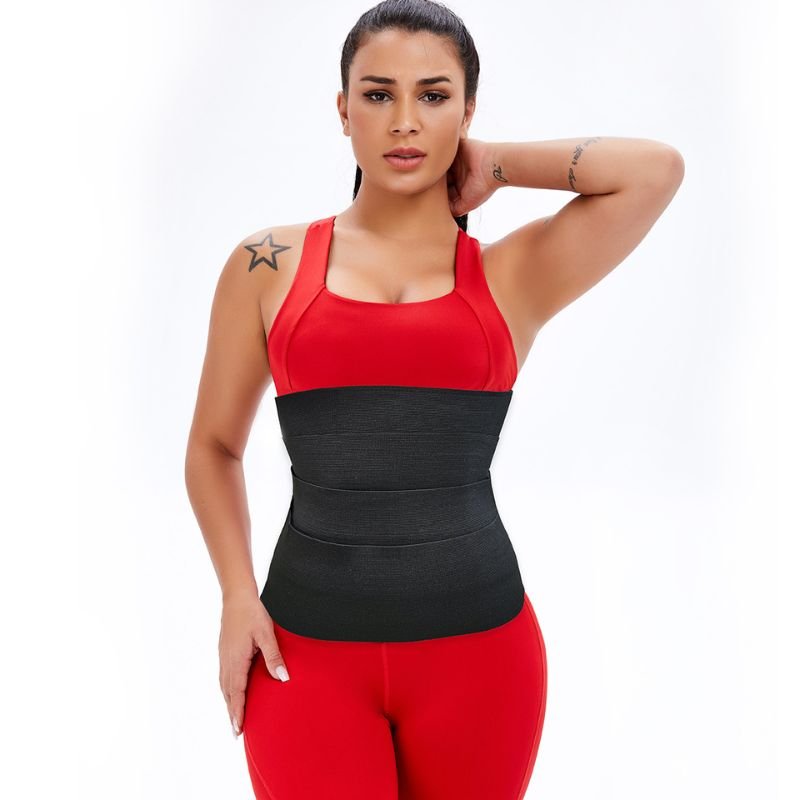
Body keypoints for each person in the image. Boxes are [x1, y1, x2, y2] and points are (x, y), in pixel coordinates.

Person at [184, 1, 685, 797]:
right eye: (378, 94)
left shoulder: (512, 274)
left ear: (468, 111)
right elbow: (214, 448)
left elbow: (655, 170)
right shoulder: (267, 264)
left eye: (434, 95)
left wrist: (496, 165)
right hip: (302, 655)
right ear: (342, 108)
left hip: (482, 658)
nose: (405, 121)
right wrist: (236, 597)